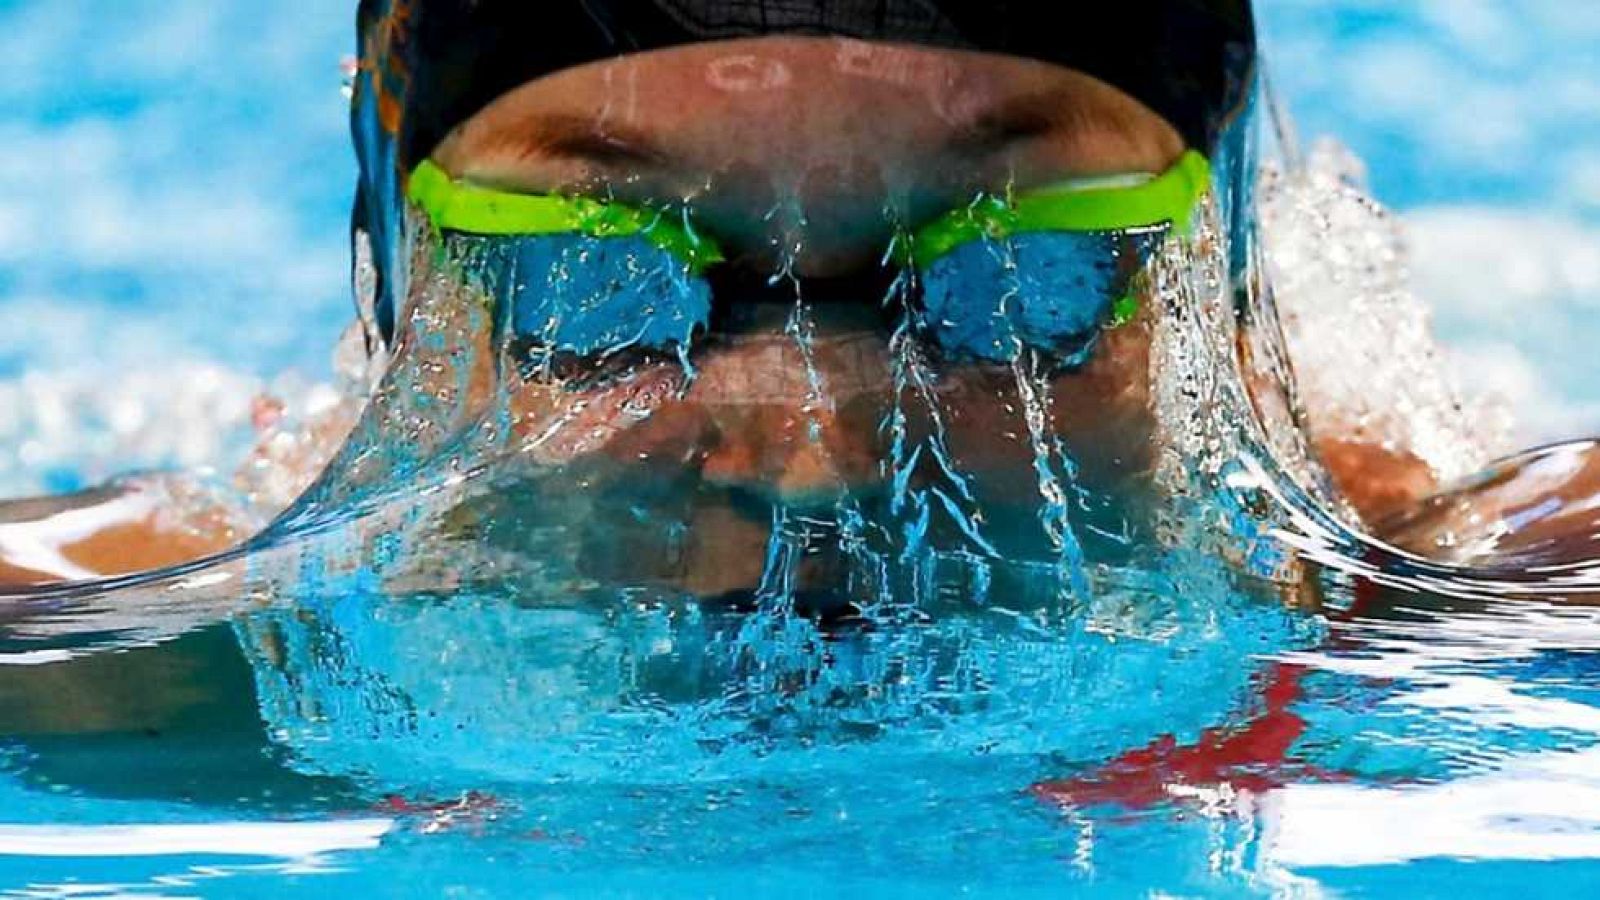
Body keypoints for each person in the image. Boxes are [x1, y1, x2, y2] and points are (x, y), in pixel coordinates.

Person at [0, 0, 1588, 598]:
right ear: (409, 296)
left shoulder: (1461, 618)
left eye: (1012, 284)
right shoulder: (150, 652)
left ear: (1223, 283)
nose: (821, 452)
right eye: (595, 283)